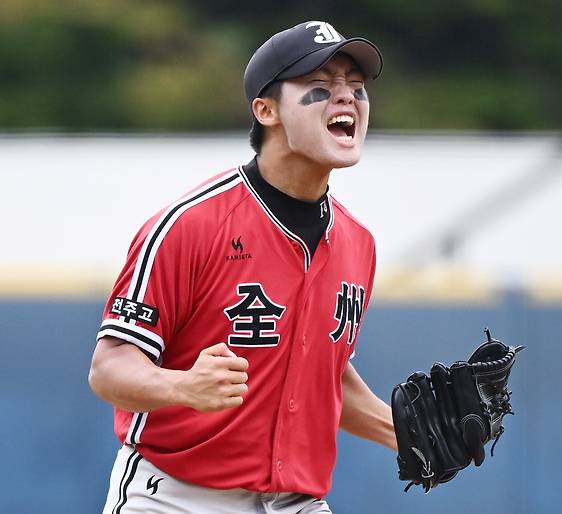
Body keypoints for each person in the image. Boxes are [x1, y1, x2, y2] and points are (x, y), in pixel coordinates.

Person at [88, 20, 395, 514]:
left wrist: (401, 432)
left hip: (296, 501)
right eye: (320, 88)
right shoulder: (191, 225)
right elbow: (109, 368)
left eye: (356, 88)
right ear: (265, 109)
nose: (347, 99)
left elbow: (324, 371)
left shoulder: (358, 244)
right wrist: (182, 386)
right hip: (176, 495)